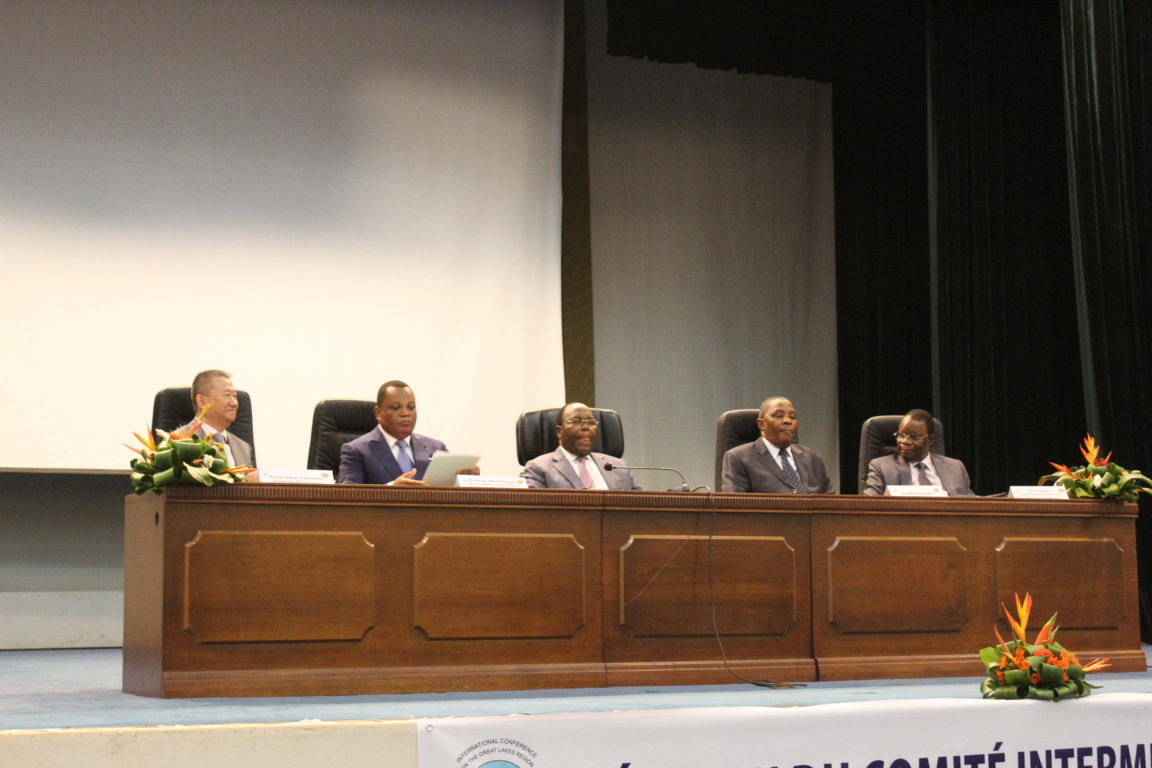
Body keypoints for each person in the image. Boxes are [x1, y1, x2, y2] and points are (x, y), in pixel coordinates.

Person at [339, 380, 453, 486]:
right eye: (396, 407)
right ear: (378, 413)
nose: (406, 413)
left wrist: (461, 479)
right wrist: (391, 489)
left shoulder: (436, 448)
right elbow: (347, 496)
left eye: (411, 407)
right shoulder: (356, 451)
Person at [721, 396, 834, 494]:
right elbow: (735, 505)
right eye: (779, 416)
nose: (787, 421)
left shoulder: (812, 458)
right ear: (762, 424)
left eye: (792, 417)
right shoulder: (738, 458)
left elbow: (831, 502)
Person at [521, 403, 640, 490]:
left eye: (591, 423)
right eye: (576, 421)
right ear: (559, 431)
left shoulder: (618, 466)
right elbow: (536, 512)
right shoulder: (538, 468)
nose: (586, 427)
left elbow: (640, 506)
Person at [863, 409, 974, 496]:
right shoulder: (881, 467)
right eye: (901, 435)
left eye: (913, 437)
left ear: (930, 439)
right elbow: (868, 504)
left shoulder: (955, 467)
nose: (905, 441)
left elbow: (971, 505)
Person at [184, 369, 255, 469]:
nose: (234, 403)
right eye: (227, 395)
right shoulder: (180, 441)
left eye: (235, 396)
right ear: (202, 401)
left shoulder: (243, 448)